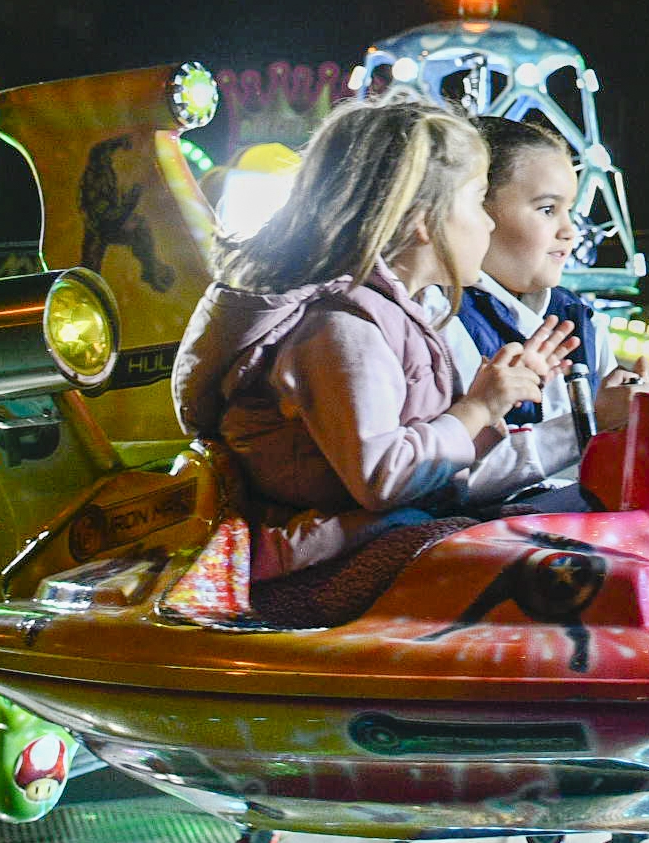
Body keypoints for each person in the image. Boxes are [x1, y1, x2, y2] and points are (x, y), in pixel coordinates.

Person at [174, 98, 575, 623]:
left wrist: (497, 405)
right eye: (477, 202)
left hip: (365, 532)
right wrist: (476, 409)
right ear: (424, 220)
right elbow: (382, 477)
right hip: (314, 554)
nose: (488, 226)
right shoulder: (341, 329)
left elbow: (430, 467)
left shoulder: (401, 317)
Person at [440, 119, 649, 495]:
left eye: (569, 210)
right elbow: (446, 483)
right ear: (476, 208)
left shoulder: (579, 319)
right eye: (546, 209)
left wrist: (643, 417)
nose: (569, 230)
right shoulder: (438, 316)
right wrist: (587, 423)